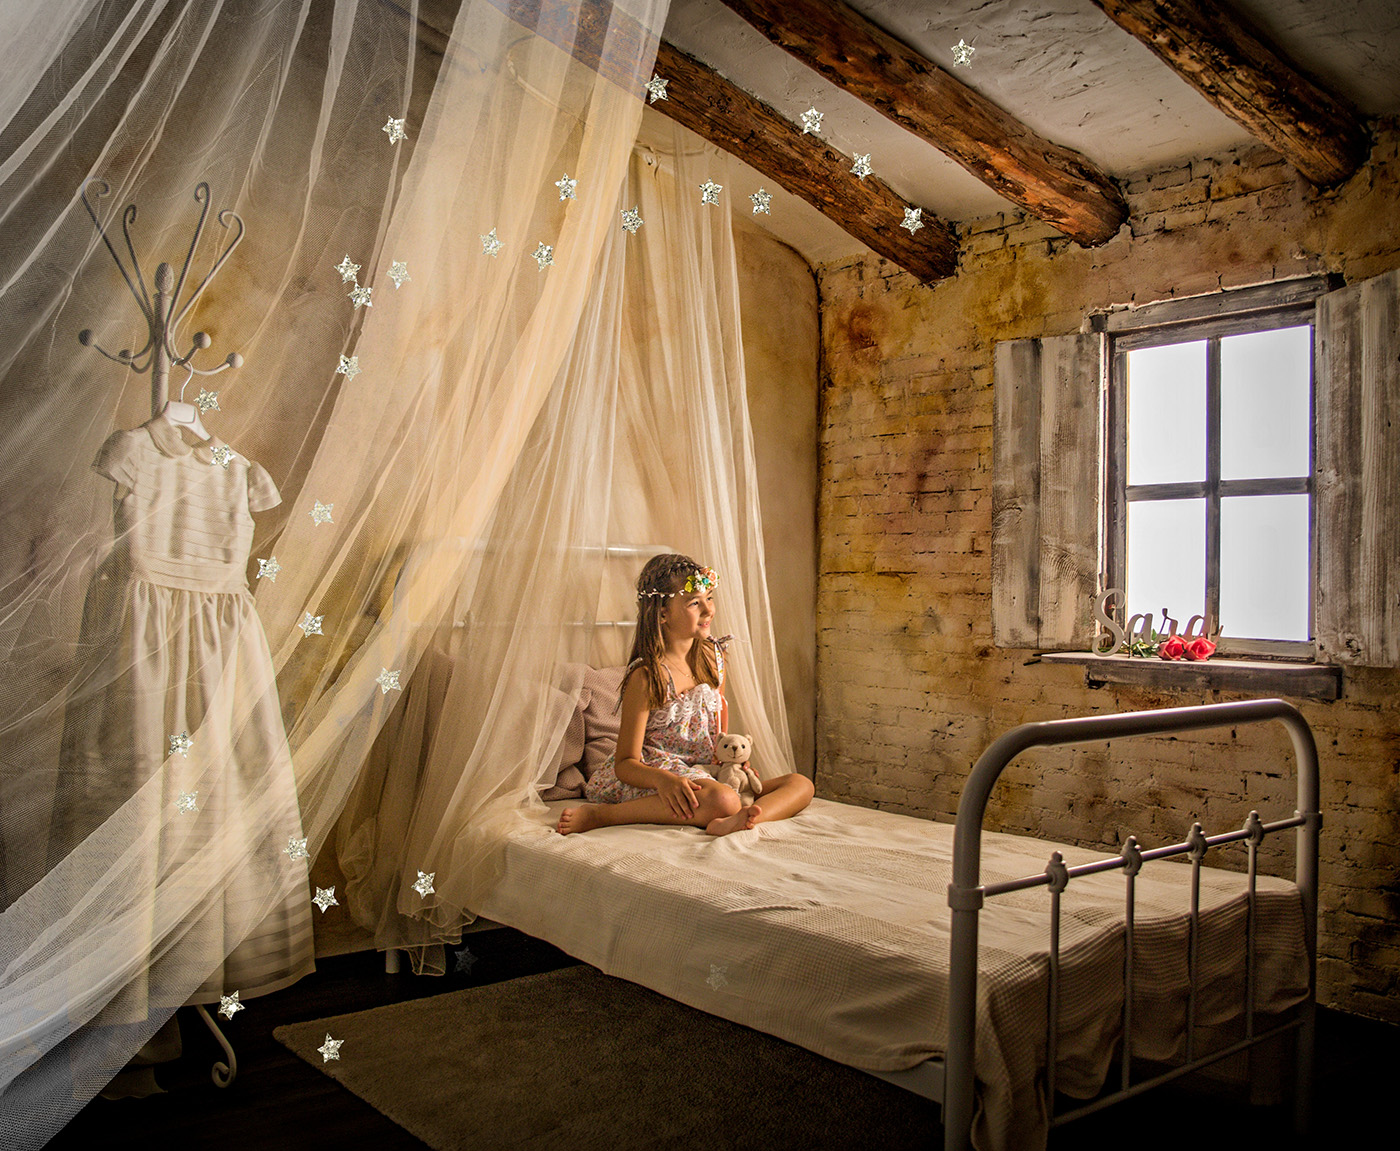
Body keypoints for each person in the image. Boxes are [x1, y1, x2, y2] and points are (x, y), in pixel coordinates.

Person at [557, 554, 813, 836]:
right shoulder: (647, 676)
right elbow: (625, 764)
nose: (708, 610)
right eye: (694, 603)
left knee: (800, 784)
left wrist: (729, 760)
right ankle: (602, 815)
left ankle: (743, 819)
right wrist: (663, 781)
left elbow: (717, 731)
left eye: (709, 598)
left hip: (702, 771)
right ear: (662, 614)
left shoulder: (714, 658)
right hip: (655, 774)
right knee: (723, 799)